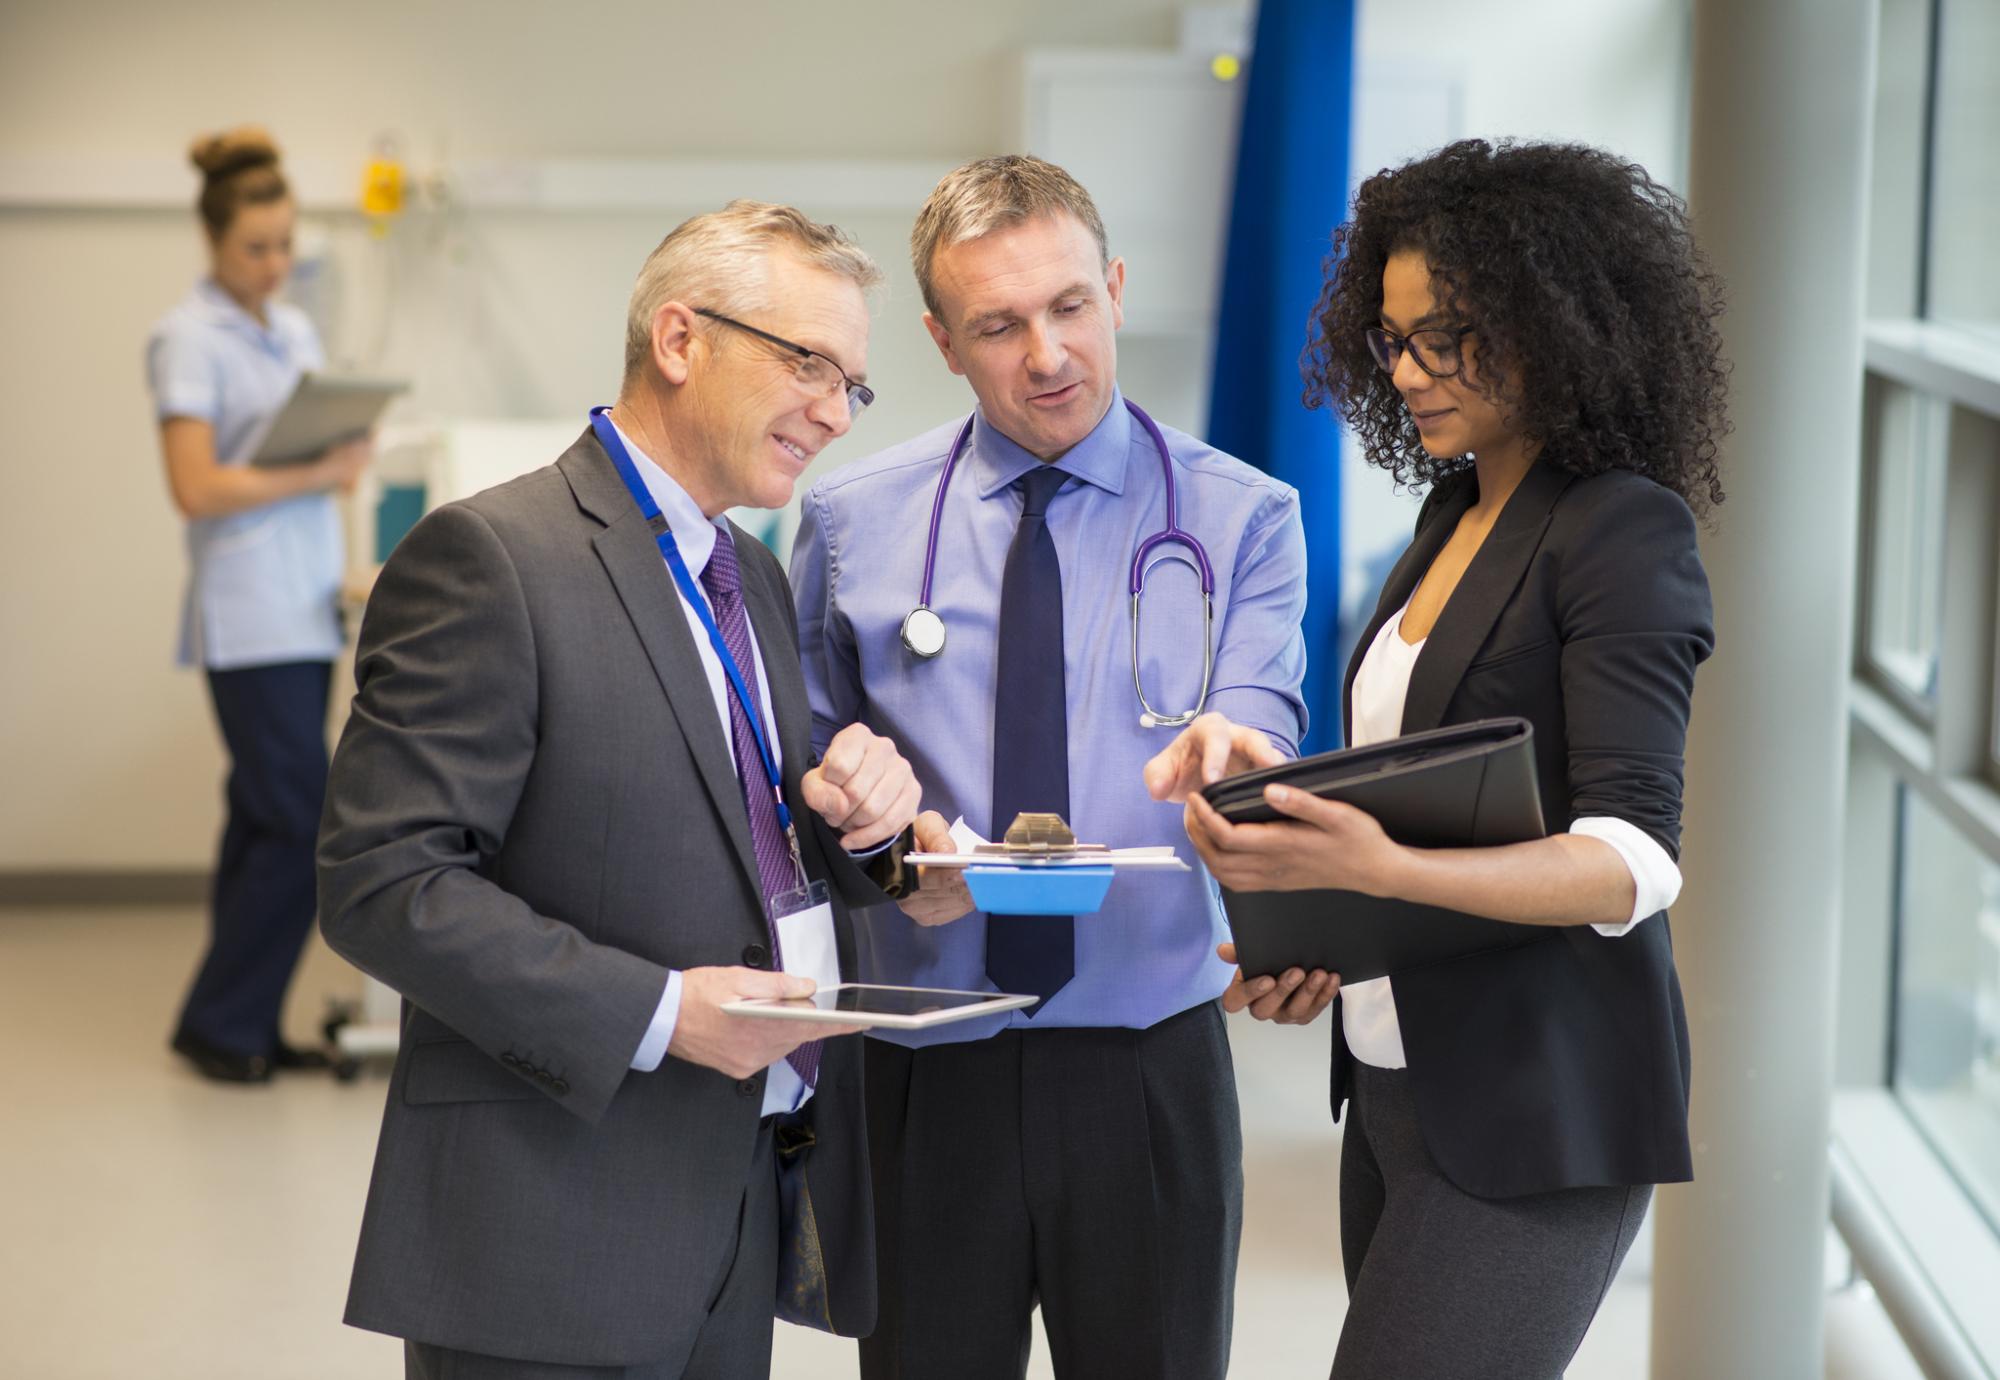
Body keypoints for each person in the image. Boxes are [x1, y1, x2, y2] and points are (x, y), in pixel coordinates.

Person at [317, 201, 955, 1380]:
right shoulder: (491, 560)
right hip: (553, 1232)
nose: (833, 410)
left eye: (853, 386)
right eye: (809, 363)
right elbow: (382, 884)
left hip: (728, 1211)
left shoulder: (744, 570)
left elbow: (739, 830)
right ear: (679, 340)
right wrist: (665, 1015)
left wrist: (867, 833)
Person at [1154, 138, 1727, 1379]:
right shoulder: (1450, 515)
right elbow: (1427, 800)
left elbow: (1630, 862)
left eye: (1445, 336)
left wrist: (1377, 875)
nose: (1407, 371)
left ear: (1555, 322)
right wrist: (1316, 931)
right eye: (1392, 338)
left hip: (1536, 1109)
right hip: (1396, 1088)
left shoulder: (1621, 528)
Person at [789, 154, 1308, 1380]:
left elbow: (1257, 713)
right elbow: (800, 773)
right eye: (997, 325)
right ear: (939, 340)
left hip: (1145, 1062)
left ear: (1115, 288)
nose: (1046, 354)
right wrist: (874, 850)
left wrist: (1241, 756)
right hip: (927, 1059)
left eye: (1070, 305)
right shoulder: (847, 522)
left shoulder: (1242, 517)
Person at [147, 126, 371, 1084]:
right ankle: (227, 1018)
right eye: (256, 247)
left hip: (303, 604)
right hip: (245, 616)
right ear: (212, 239)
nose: (275, 264)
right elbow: (194, 486)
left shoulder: (295, 330)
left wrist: (339, 466)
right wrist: (316, 468)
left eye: (285, 245)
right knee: (299, 820)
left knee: (258, 819)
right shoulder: (185, 337)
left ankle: (225, 1021)